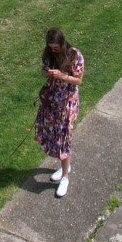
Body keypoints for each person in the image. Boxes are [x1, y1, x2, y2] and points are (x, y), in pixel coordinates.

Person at [36, 27, 84, 199]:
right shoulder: (48, 54)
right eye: (51, 47)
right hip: (53, 102)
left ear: (62, 43)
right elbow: (43, 72)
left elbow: (78, 80)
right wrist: (47, 73)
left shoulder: (74, 55)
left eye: (56, 47)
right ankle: (66, 166)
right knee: (56, 135)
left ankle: (65, 178)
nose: (53, 50)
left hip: (67, 103)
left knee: (64, 138)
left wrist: (62, 76)